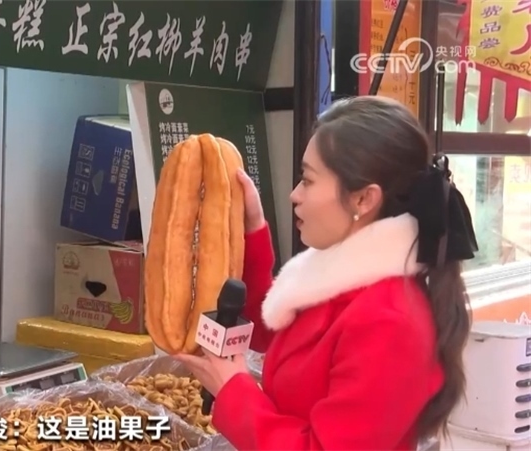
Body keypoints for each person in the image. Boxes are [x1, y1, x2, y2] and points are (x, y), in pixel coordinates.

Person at [176, 96, 478, 450]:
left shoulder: (390, 323)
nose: (294, 195)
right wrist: (251, 227)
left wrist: (235, 392)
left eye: (307, 180)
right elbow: (276, 334)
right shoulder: (338, 281)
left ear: (364, 199)